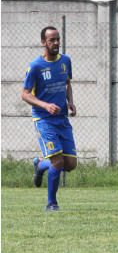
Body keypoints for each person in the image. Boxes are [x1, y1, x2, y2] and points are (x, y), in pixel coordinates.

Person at [21, 26, 77, 211]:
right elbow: (25, 94)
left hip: (62, 119)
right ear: (43, 43)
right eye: (52, 40)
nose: (56, 43)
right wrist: (45, 105)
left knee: (70, 164)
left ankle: (40, 165)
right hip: (44, 120)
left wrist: (70, 102)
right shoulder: (36, 66)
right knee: (58, 161)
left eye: (58, 39)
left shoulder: (65, 61)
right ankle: (51, 203)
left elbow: (66, 84)